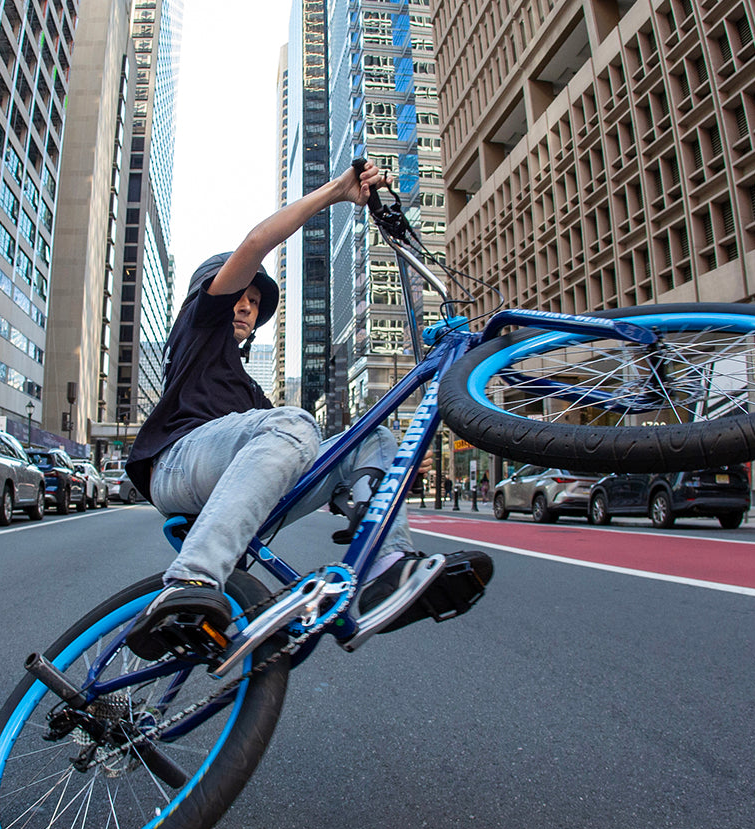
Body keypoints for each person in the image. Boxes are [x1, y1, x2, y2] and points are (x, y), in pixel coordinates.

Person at [124, 161, 492, 660]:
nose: (246, 306)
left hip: (224, 478)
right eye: (240, 295)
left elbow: (300, 454)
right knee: (295, 423)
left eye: (255, 301)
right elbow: (256, 243)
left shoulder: (248, 395)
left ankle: (389, 566)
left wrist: (389, 468)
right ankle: (191, 579)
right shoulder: (199, 327)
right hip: (176, 466)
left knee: (372, 438)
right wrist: (337, 191)